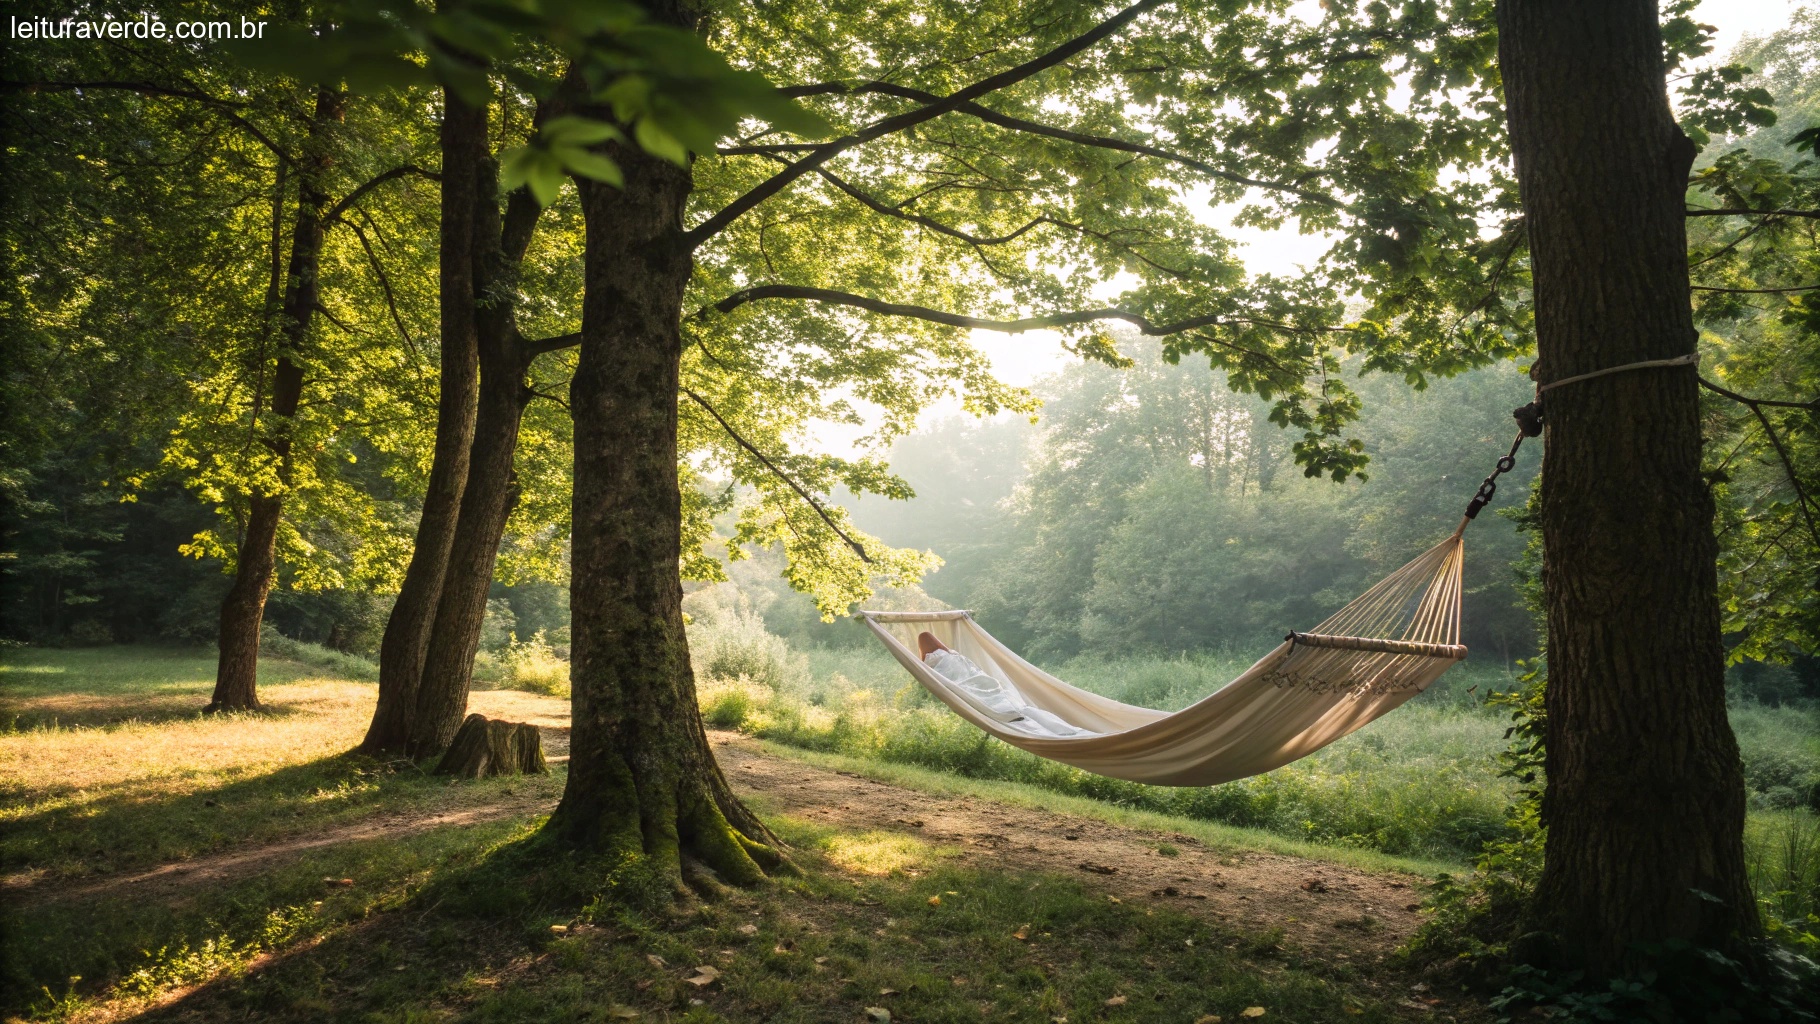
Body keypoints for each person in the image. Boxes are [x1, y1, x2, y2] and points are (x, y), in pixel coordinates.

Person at [914, 631, 1085, 737]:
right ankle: (1068, 732)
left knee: (1015, 713)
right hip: (979, 682)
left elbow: (924, 663)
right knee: (1021, 710)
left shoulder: (932, 662)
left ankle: (1062, 734)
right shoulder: (953, 656)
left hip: (973, 684)